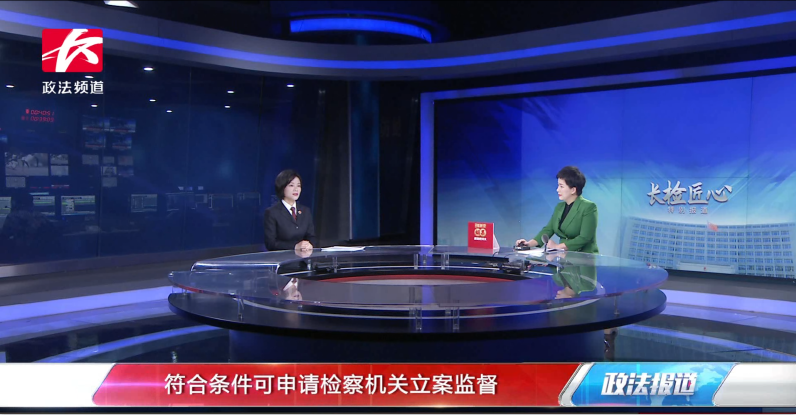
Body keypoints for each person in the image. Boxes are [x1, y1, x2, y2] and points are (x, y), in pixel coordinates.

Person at [516, 166, 599, 253]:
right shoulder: (559, 207)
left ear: (573, 190)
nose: (557, 190)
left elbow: (585, 237)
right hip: (564, 256)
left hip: (584, 257)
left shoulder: (589, 207)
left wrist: (558, 247)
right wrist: (528, 244)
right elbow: (548, 229)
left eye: (561, 186)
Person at [263, 169, 317, 251]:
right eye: (291, 185)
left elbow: (311, 237)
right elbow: (271, 243)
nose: (296, 189)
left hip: (304, 257)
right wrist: (295, 246)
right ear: (282, 187)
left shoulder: (305, 211)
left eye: (298, 185)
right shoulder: (272, 213)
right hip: (283, 257)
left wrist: (309, 244)